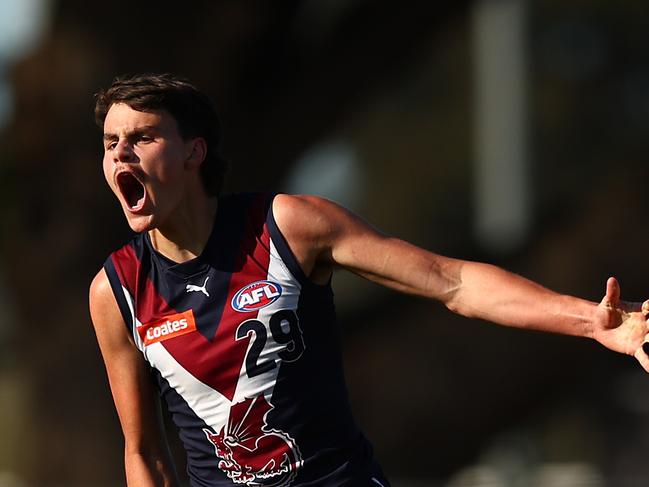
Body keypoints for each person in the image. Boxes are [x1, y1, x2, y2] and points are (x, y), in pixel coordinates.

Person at [89, 73, 649, 487]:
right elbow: (143, 453)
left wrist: (590, 321)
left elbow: (452, 282)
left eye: (142, 138)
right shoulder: (115, 291)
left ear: (194, 152)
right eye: (112, 144)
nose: (121, 156)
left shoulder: (289, 227)